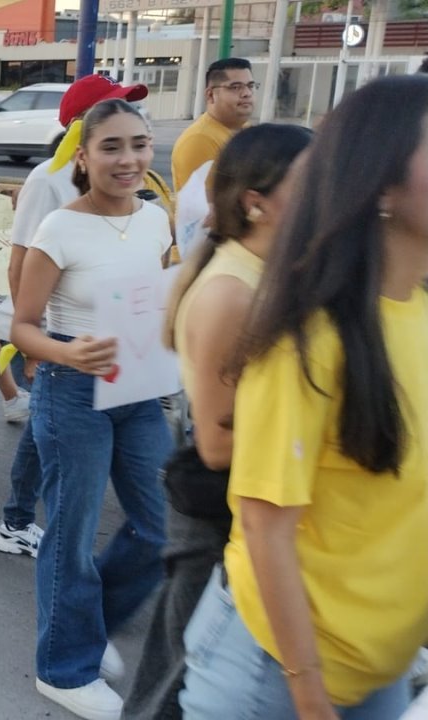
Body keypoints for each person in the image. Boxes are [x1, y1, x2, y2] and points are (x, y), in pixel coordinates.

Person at [181, 75, 428, 720]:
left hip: (384, 663)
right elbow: (266, 523)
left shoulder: (418, 315)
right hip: (278, 674)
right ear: (381, 182)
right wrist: (309, 694)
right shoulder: (308, 335)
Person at [121, 124, 312, 720]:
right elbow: (216, 441)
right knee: (178, 677)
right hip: (217, 509)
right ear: (257, 202)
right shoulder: (231, 291)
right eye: (310, 185)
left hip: (246, 503)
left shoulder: (269, 270)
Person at [11, 99, 172, 720]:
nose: (128, 159)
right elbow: (23, 328)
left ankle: (85, 620)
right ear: (83, 157)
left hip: (139, 391)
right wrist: (67, 351)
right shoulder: (60, 229)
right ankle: (63, 668)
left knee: (162, 526)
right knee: (72, 536)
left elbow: (152, 301)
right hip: (72, 393)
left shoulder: (158, 221)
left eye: (138, 144)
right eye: (111, 147)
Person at [0, 74, 148, 560]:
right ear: (83, 128)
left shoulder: (125, 182)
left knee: (48, 435)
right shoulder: (45, 181)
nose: (126, 118)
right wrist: (32, 343)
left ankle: (21, 521)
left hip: (106, 337)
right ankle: (16, 522)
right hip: (51, 334)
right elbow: (19, 263)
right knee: (46, 435)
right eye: (113, 109)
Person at [172, 57, 254, 192]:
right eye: (235, 87)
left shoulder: (247, 130)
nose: (247, 93)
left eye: (250, 86)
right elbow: (206, 207)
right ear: (210, 95)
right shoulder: (200, 140)